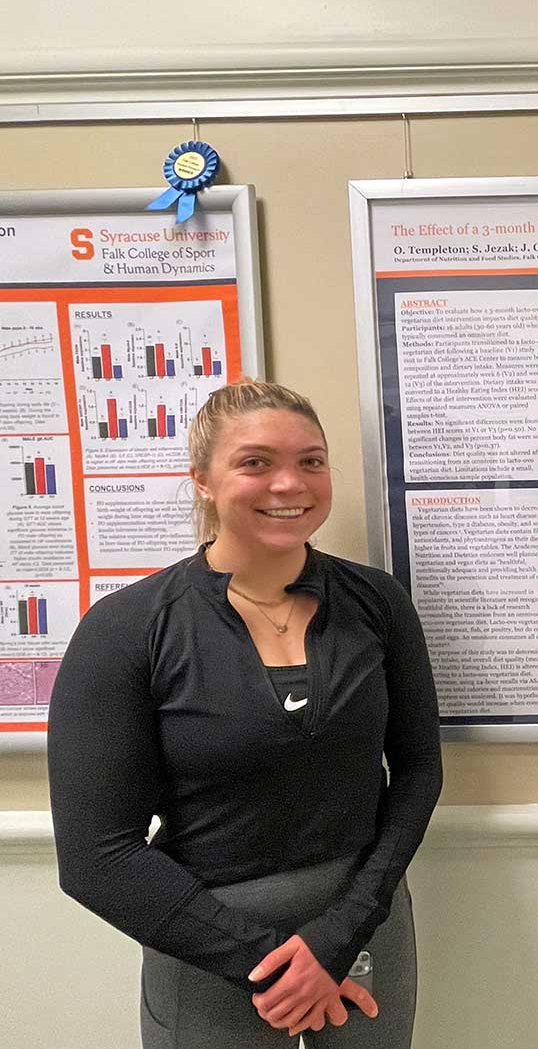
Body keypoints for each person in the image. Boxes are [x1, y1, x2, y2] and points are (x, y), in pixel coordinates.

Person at [48, 380, 443, 1047]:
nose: (289, 484)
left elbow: (417, 770)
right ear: (202, 479)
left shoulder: (376, 602)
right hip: (205, 940)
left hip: (366, 919)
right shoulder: (128, 629)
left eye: (311, 461)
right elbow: (96, 857)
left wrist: (336, 939)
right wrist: (271, 966)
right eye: (256, 462)